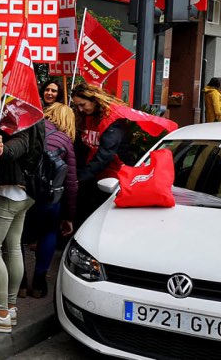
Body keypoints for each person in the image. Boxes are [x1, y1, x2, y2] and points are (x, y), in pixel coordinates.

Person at [0, 118, 44, 333]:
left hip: (10, 191)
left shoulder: (22, 112)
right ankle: (10, 308)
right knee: (13, 248)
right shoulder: (35, 113)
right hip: (25, 192)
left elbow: (20, 142)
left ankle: (0, 311)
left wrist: (4, 149)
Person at [21, 103, 78, 300]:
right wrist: (69, 216)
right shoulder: (65, 141)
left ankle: (19, 282)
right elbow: (71, 182)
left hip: (25, 192)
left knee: (17, 237)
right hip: (49, 198)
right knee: (48, 232)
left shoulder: (29, 127)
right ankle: (38, 282)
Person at [71, 84, 134, 222]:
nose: (80, 109)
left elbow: (105, 155)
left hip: (113, 177)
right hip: (93, 174)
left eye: (83, 104)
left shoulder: (112, 119)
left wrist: (80, 177)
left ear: (94, 100)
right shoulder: (85, 116)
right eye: (78, 106)